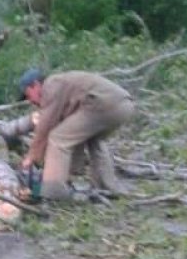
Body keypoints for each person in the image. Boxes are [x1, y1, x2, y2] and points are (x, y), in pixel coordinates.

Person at [18, 67, 135, 198]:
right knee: (93, 139)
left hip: (104, 104)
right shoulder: (63, 87)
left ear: (36, 85)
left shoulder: (51, 85)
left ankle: (53, 191)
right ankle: (106, 186)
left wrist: (30, 158)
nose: (30, 101)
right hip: (123, 105)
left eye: (28, 95)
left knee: (58, 138)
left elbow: (45, 127)